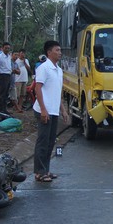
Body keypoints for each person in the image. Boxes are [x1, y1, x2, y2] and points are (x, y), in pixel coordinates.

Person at [33, 40, 69, 182]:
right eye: (57, 50)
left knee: (50, 141)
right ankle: (39, 172)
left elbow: (57, 92)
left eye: (60, 50)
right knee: (42, 141)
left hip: (54, 110)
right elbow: (37, 88)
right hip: (44, 110)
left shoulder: (59, 70)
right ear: (49, 52)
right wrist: (43, 109)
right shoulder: (44, 68)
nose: (60, 53)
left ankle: (45, 169)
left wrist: (63, 110)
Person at [0, 42, 13, 113]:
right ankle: (0, 109)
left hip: (8, 75)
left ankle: (4, 109)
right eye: (6, 48)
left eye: (8, 48)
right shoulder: (0, 57)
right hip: (2, 76)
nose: (7, 49)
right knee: (1, 93)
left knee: (6, 93)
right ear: (2, 48)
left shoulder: (9, 56)